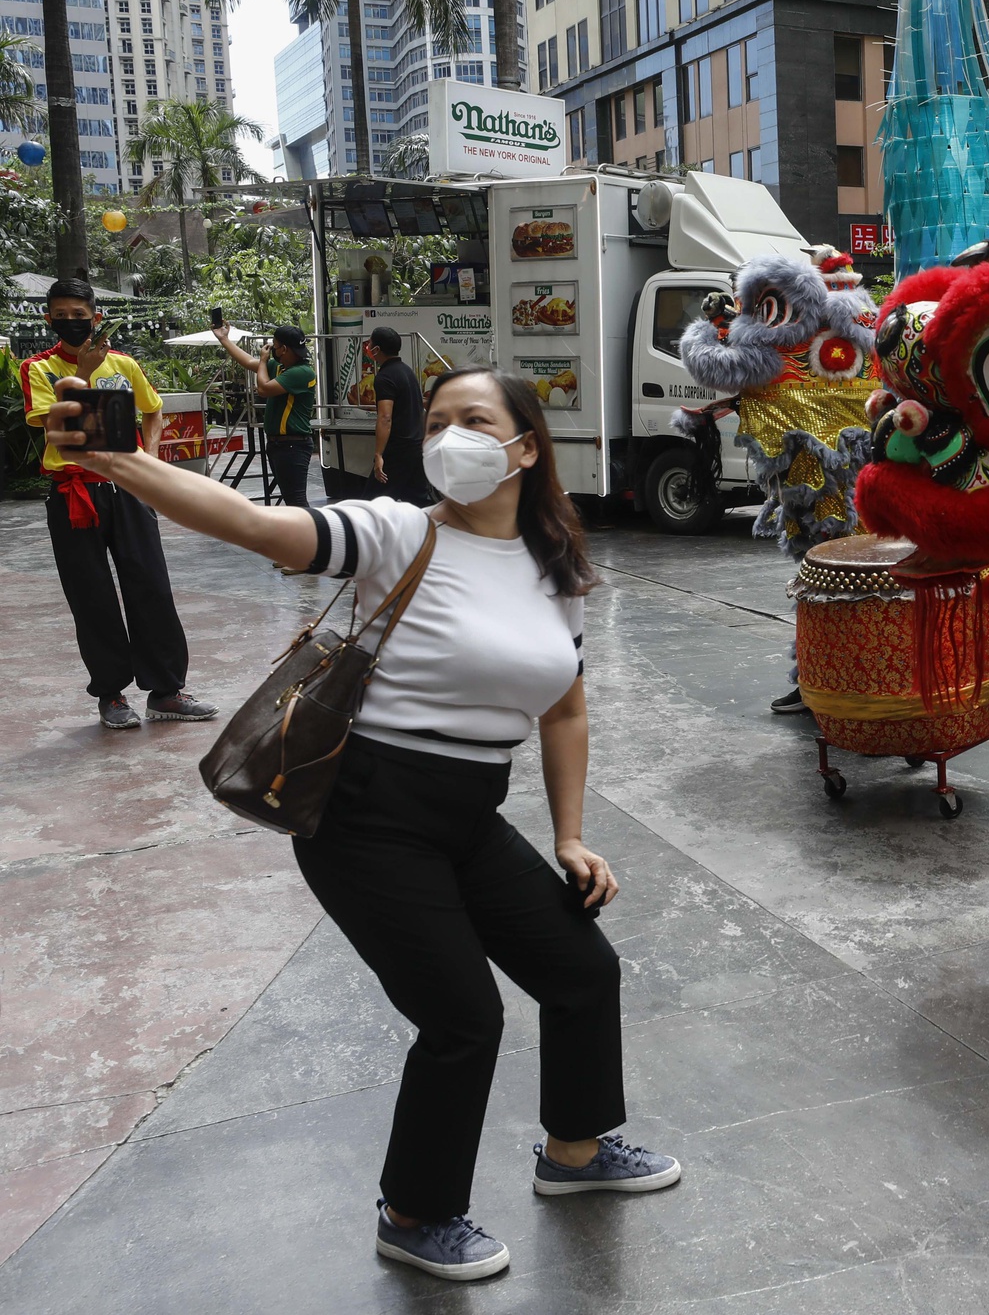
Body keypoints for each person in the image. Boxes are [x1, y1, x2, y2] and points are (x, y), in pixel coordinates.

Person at [36, 366, 681, 1281]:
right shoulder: (394, 530)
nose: (451, 434)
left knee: (581, 968)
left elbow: (566, 709)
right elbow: (259, 523)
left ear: (527, 447)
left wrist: (570, 836)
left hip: (466, 814)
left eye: (476, 419)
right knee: (464, 1016)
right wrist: (121, 461)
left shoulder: (556, 570)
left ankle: (574, 1153)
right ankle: (416, 1213)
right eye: (439, 420)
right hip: (365, 813)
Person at [25, 278, 216, 730]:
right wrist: (87, 375)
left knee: (150, 584)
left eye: (80, 315)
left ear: (97, 316)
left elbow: (153, 409)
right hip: (74, 495)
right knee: (91, 595)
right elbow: (56, 423)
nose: (71, 323)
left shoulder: (125, 364)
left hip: (127, 488)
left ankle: (167, 691)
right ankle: (111, 695)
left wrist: (148, 460)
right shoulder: (37, 369)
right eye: (61, 315)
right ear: (48, 318)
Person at [215, 321, 318, 508]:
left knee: (297, 501)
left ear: (284, 349)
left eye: (275, 346)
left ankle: (316, 536)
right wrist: (224, 339)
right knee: (292, 500)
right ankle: (303, 536)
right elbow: (247, 361)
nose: (273, 350)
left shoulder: (302, 373)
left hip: (293, 444)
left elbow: (263, 389)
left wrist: (263, 360)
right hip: (280, 444)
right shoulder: (281, 368)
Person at [367, 325, 433, 504]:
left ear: (377, 349)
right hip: (416, 446)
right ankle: (431, 529)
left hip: (398, 450)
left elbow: (385, 418)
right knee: (417, 501)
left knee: (374, 503)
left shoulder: (385, 377)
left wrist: (379, 455)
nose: (368, 347)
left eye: (370, 344)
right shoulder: (407, 371)